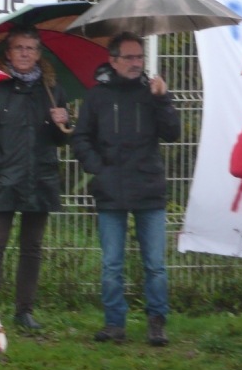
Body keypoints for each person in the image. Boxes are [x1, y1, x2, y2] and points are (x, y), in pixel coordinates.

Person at [71, 32, 180, 346]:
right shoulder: (96, 96)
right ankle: (114, 323)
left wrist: (163, 99)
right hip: (111, 190)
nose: (136, 63)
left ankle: (157, 322)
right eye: (129, 57)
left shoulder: (152, 92)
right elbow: (81, 138)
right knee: (112, 264)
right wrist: (99, 169)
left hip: (149, 188)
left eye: (139, 57)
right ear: (113, 60)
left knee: (155, 264)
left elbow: (172, 133)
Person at [0, 26, 70, 330]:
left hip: (41, 178)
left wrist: (63, 123)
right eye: (19, 48)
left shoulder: (53, 90)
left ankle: (24, 311)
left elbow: (62, 138)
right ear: (8, 53)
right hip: (4, 179)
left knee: (32, 247)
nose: (25, 53)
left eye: (30, 48)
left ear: (39, 54)